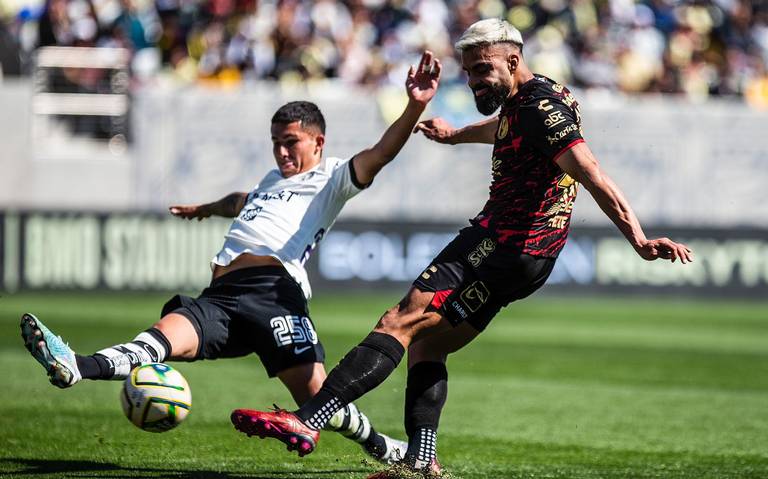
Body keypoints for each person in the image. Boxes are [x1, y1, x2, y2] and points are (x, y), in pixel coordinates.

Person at [230, 18, 694, 479]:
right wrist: (456, 136)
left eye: (482, 69)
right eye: (469, 70)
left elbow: (590, 171)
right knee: (428, 346)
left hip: (501, 244)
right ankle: (421, 460)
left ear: (513, 61)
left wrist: (638, 239)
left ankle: (307, 419)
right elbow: (505, 129)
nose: (473, 79)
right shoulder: (532, 100)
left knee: (399, 321)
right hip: (532, 258)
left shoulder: (541, 108)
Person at [20, 50, 442, 464]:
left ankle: (383, 447)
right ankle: (76, 366)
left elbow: (382, 153)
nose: (281, 152)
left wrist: (412, 106)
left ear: (318, 141)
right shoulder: (273, 179)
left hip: (274, 294)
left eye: (290, 142)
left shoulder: (332, 177)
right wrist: (206, 207)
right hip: (221, 296)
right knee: (157, 340)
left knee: (317, 399)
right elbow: (244, 200)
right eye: (276, 143)